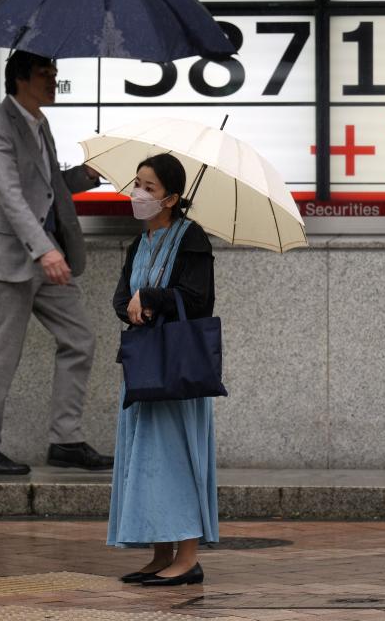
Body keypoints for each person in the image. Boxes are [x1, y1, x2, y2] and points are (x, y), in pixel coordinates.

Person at [0, 51, 113, 475]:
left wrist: (84, 175)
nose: (53, 81)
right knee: (1, 356)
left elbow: (46, 190)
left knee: (80, 338)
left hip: (46, 257)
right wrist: (44, 250)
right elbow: (9, 197)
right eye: (46, 74)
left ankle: (65, 440)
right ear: (20, 78)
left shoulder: (39, 124)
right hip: (15, 258)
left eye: (55, 73)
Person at [108, 153, 219, 586]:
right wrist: (133, 308)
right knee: (147, 458)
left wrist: (151, 299)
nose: (138, 193)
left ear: (172, 198)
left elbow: (198, 298)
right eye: (137, 183)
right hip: (143, 363)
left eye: (149, 187)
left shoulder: (192, 238)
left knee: (176, 457)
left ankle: (187, 558)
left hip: (177, 368)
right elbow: (121, 296)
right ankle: (160, 553)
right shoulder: (140, 241)